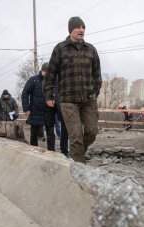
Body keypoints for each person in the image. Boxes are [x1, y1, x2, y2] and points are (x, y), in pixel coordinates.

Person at [43, 16, 102, 163]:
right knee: (75, 137)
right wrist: (48, 95)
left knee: (92, 132)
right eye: (78, 27)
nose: (82, 30)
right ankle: (79, 169)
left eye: (83, 27)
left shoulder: (91, 50)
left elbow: (97, 75)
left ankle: (77, 154)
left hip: (88, 100)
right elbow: (50, 75)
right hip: (68, 101)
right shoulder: (60, 49)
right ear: (71, 30)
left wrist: (94, 93)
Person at [22, 63, 55, 151]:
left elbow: (56, 94)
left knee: (51, 134)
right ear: (43, 71)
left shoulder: (52, 80)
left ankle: (52, 152)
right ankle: (34, 151)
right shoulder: (33, 80)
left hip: (49, 111)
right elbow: (25, 93)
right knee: (34, 133)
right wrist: (26, 108)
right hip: (35, 111)